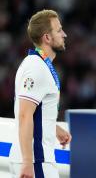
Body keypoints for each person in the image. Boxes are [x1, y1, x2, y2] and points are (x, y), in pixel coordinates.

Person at [9, 9, 72, 178]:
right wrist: (28, 163)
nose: (64, 34)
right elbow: (24, 115)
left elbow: (37, 112)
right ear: (47, 37)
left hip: (37, 158)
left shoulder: (39, 64)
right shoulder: (36, 68)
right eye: (59, 30)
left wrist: (55, 128)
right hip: (36, 160)